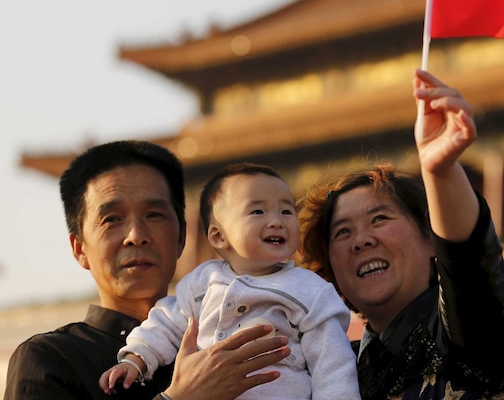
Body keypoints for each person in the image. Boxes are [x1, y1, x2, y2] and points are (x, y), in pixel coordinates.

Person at [299, 70, 504, 399]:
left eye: (379, 218)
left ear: (430, 240)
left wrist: (440, 171)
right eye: (342, 232)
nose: (361, 240)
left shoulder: (466, 337)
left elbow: (469, 263)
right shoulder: (329, 374)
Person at [5, 140, 290, 400]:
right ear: (80, 248)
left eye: (154, 215)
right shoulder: (51, 359)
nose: (136, 235)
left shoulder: (244, 341)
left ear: (181, 239)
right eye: (112, 219)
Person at [99, 162, 360, 399]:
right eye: (258, 211)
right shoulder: (202, 283)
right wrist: (136, 358)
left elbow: (333, 365)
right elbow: (166, 323)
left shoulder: (310, 291)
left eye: (286, 211)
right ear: (218, 236)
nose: (276, 222)